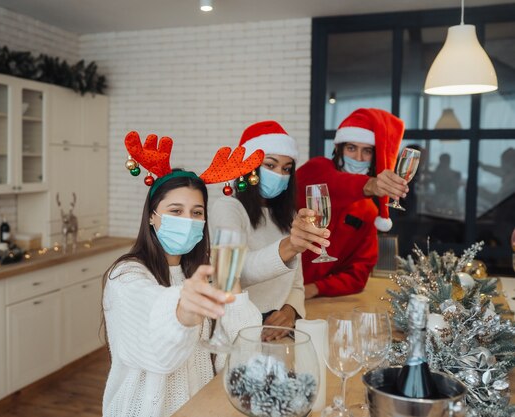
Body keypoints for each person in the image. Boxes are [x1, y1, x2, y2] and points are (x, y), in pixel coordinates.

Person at [103, 133, 261, 417]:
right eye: (175, 210)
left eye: (197, 212)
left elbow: (244, 348)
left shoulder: (203, 273)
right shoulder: (125, 275)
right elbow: (159, 342)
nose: (188, 221)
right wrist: (182, 310)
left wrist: (230, 278)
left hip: (202, 408)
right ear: (152, 216)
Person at [209, 121, 330, 340]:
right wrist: (290, 246)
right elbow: (231, 273)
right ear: (249, 167)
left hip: (279, 334)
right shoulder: (228, 207)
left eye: (286, 169)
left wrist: (290, 312)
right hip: (237, 331)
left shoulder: (288, 216)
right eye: (270, 165)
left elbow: (297, 285)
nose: (280, 175)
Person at [296, 108, 407, 298]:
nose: (358, 158)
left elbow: (358, 274)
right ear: (339, 149)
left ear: (375, 157)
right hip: (274, 287)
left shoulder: (369, 211)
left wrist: (316, 288)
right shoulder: (317, 169)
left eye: (367, 151)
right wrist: (371, 185)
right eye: (351, 148)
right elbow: (333, 183)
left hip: (314, 300)